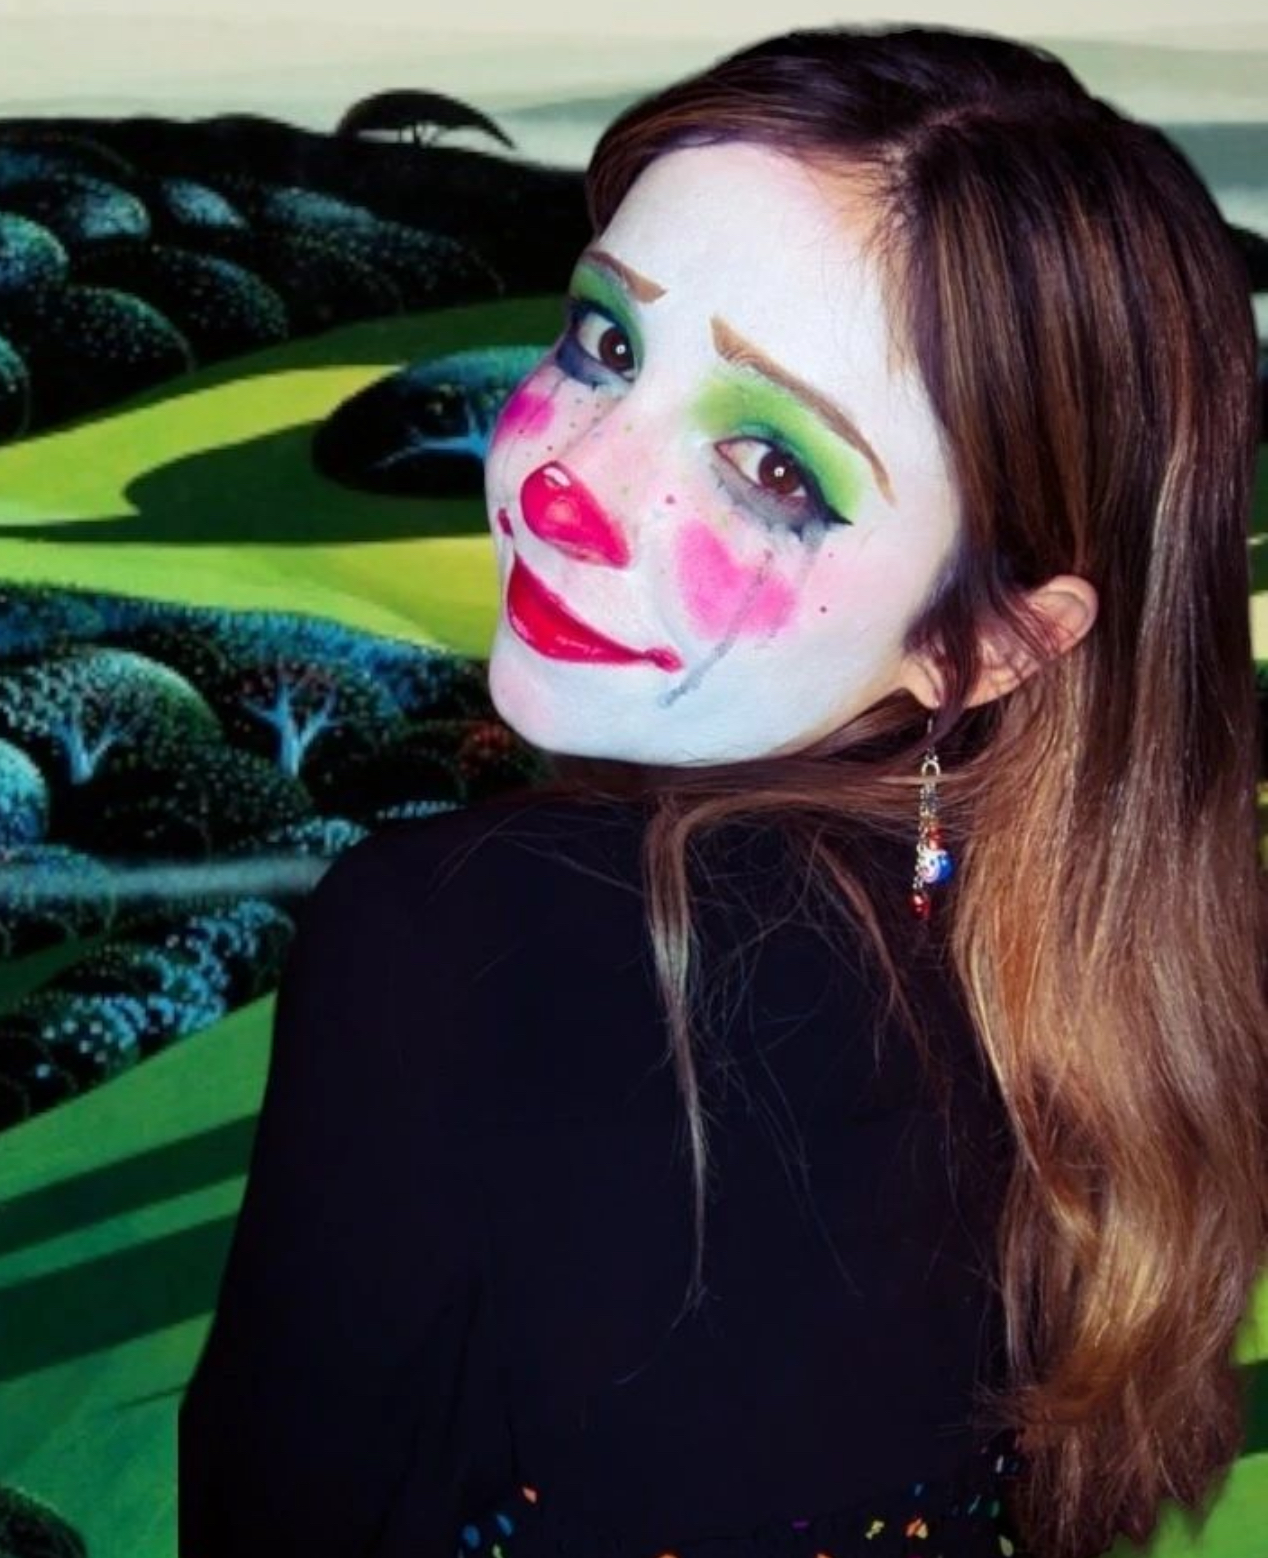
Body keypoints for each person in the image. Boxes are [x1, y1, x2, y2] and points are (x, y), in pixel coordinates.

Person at [177, 23, 1268, 1558]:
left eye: (771, 466)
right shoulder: (1103, 989)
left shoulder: (452, 940)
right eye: (604, 345)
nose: (566, 482)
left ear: (992, 642)